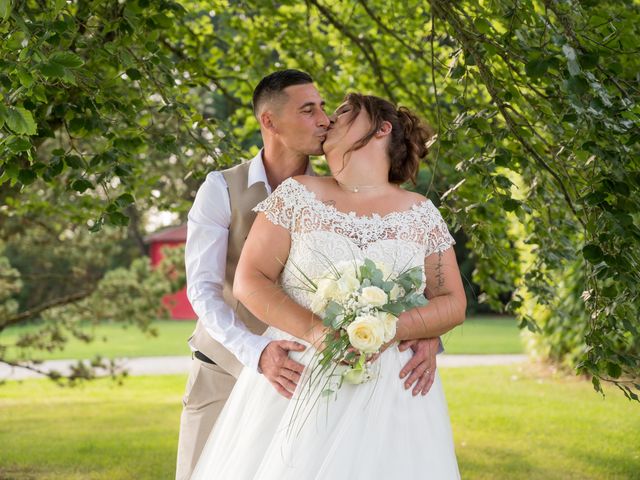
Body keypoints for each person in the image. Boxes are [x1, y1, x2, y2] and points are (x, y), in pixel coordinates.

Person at [177, 72, 442, 480]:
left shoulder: (341, 189)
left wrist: (424, 329)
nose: (324, 119)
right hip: (227, 365)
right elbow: (203, 289)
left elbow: (394, 262)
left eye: (324, 107)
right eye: (308, 110)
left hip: (310, 371)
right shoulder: (221, 188)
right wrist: (255, 352)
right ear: (270, 122)